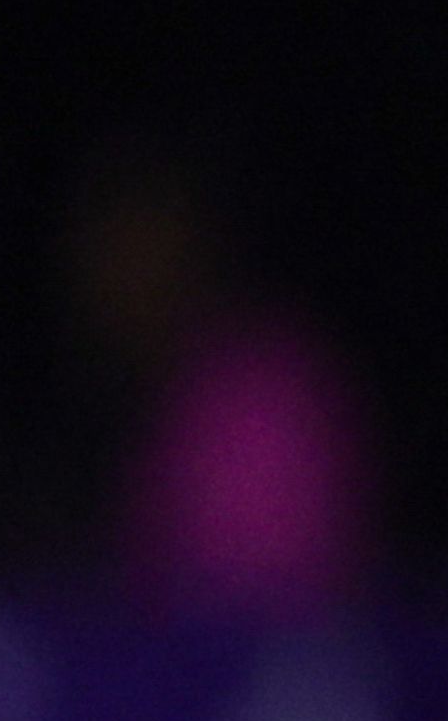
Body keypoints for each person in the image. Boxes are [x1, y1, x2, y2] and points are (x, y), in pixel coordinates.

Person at [42, 131, 375, 617]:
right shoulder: (108, 404)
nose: (119, 271)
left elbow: (255, 626)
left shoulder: (262, 407)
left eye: (144, 236)